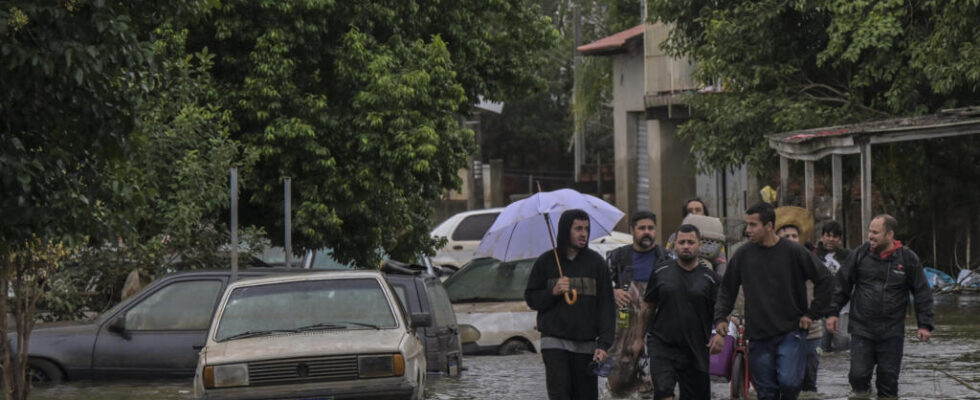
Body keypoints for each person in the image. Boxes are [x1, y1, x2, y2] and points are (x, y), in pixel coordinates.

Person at [711, 202, 834, 400]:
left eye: (753, 225)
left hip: (791, 332)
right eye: (747, 224)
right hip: (759, 335)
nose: (748, 230)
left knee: (789, 383)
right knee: (766, 391)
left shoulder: (794, 252)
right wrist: (720, 319)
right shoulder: (742, 254)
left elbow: (825, 279)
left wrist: (812, 314)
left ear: (769, 226)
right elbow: (727, 289)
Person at [826, 214, 934, 398]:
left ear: (890, 235)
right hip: (862, 328)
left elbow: (922, 292)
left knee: (888, 382)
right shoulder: (859, 255)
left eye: (875, 232)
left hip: (892, 330)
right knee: (858, 376)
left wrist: (924, 324)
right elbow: (841, 285)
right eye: (870, 231)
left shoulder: (908, 259)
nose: (870, 236)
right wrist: (833, 313)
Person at [525, 209, 616, 400]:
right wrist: (554, 292)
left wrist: (605, 344)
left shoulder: (596, 264)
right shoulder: (546, 262)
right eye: (578, 229)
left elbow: (606, 306)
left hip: (586, 345)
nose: (583, 233)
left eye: (586, 229)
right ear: (566, 230)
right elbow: (532, 299)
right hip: (554, 342)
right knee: (560, 394)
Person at [644, 224, 720, 400]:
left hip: (696, 348)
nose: (686, 246)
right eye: (682, 242)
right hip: (662, 344)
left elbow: (721, 310)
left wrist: (719, 334)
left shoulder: (711, 278)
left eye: (691, 242)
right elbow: (647, 306)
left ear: (700, 245)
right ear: (674, 245)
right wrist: (639, 339)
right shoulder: (660, 271)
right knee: (663, 390)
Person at [605, 211, 671, 396]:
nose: (647, 232)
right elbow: (600, 290)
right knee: (617, 387)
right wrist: (613, 292)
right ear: (631, 230)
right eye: (642, 228)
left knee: (655, 386)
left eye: (650, 228)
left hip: (656, 333)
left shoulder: (667, 258)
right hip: (623, 334)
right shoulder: (616, 258)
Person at [775, 221, 823, 394]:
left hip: (810, 330)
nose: (791, 239)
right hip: (779, 331)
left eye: (794, 236)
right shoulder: (768, 263)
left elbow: (826, 287)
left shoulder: (810, 261)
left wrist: (814, 313)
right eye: (786, 236)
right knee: (783, 384)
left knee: (809, 385)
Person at [815, 220, 851, 353]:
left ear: (840, 239)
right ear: (821, 237)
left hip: (842, 306)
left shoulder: (847, 256)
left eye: (835, 236)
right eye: (828, 235)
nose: (831, 239)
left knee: (842, 342)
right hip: (819, 304)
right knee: (821, 344)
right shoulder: (813, 255)